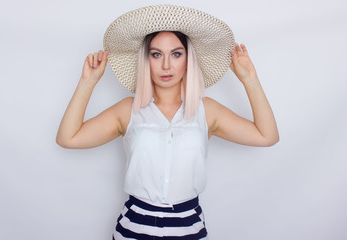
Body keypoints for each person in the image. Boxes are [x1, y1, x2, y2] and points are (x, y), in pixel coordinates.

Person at [56, 5, 279, 240]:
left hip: (189, 228)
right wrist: (87, 83)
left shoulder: (208, 111)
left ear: (188, 59)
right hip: (134, 228)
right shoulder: (127, 111)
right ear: (146, 60)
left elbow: (267, 136)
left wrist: (249, 81)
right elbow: (68, 138)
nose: (165, 65)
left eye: (176, 54)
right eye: (156, 54)